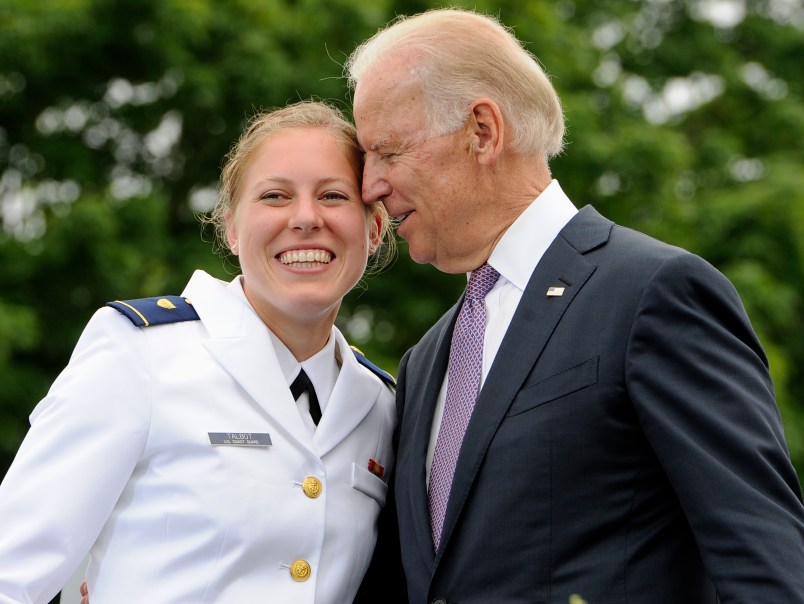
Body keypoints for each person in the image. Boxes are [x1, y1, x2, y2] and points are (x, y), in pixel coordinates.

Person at [346, 8, 804, 603]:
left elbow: (765, 565)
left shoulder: (653, 293)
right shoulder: (426, 361)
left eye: (386, 152)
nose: (368, 186)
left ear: (482, 131)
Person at [0, 100, 398, 604]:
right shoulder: (141, 353)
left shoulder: (381, 405)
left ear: (374, 229)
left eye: (333, 195)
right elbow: (11, 572)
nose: (304, 218)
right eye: (274, 195)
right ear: (231, 228)